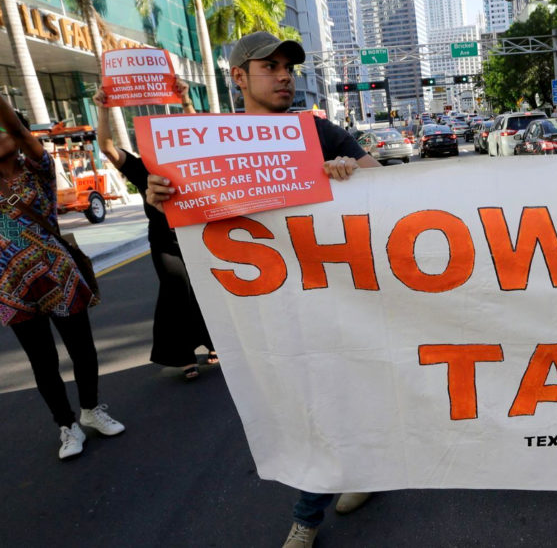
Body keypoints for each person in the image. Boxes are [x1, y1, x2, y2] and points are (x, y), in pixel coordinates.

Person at [144, 31, 380, 548]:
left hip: (333, 296)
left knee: (331, 400)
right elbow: (182, 224)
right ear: (238, 77)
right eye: (268, 66)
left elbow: (386, 190)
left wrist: (351, 177)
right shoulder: (207, 146)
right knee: (303, 408)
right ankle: (357, 479)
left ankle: (308, 516)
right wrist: (159, 194)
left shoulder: (318, 132)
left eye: (287, 67)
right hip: (265, 305)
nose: (282, 75)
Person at [0, 95, 125, 460]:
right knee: (42, 362)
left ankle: (91, 409)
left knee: (81, 349)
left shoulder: (37, 168)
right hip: (12, 286)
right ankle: (66, 426)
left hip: (58, 275)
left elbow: (21, 133)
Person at [93, 79, 218, 380]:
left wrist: (185, 101)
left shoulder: (197, 163)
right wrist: (103, 109)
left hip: (200, 239)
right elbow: (107, 147)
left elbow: (204, 138)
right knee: (176, 292)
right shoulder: (141, 168)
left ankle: (215, 343)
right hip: (165, 242)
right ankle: (182, 355)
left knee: (208, 290)